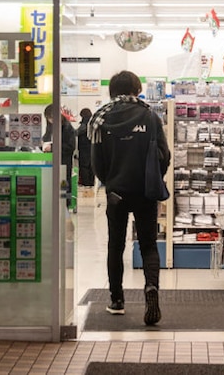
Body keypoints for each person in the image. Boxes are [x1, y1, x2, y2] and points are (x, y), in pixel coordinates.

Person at [90, 70, 170, 326]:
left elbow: (96, 163)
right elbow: (163, 155)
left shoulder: (100, 119)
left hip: (116, 193)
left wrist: (110, 182)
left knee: (115, 245)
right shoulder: (149, 115)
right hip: (145, 190)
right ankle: (151, 288)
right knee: (148, 244)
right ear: (137, 88)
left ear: (112, 90)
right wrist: (153, 178)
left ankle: (117, 300)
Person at [43, 104, 77, 208]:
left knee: (64, 184)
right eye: (48, 118)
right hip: (50, 161)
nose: (50, 120)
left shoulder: (67, 128)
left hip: (63, 162)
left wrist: (52, 147)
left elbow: (70, 147)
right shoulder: (50, 127)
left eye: (52, 117)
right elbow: (46, 139)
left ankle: (65, 205)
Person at [76, 108, 95, 187]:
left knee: (84, 166)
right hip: (93, 148)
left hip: (84, 148)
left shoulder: (85, 123)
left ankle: (86, 183)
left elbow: (76, 132)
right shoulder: (93, 122)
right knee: (91, 166)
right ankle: (91, 183)